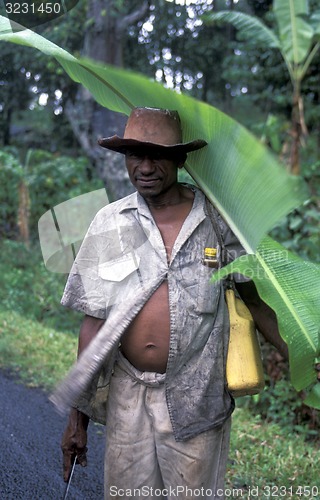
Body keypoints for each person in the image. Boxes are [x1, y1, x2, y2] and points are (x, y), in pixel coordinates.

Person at [60, 107, 288, 499]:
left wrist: (299, 352)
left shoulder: (218, 222)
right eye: (135, 155)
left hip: (197, 397)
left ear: (181, 159)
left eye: (158, 155)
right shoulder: (110, 222)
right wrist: (76, 419)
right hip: (127, 396)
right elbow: (93, 323)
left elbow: (257, 302)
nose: (145, 167)